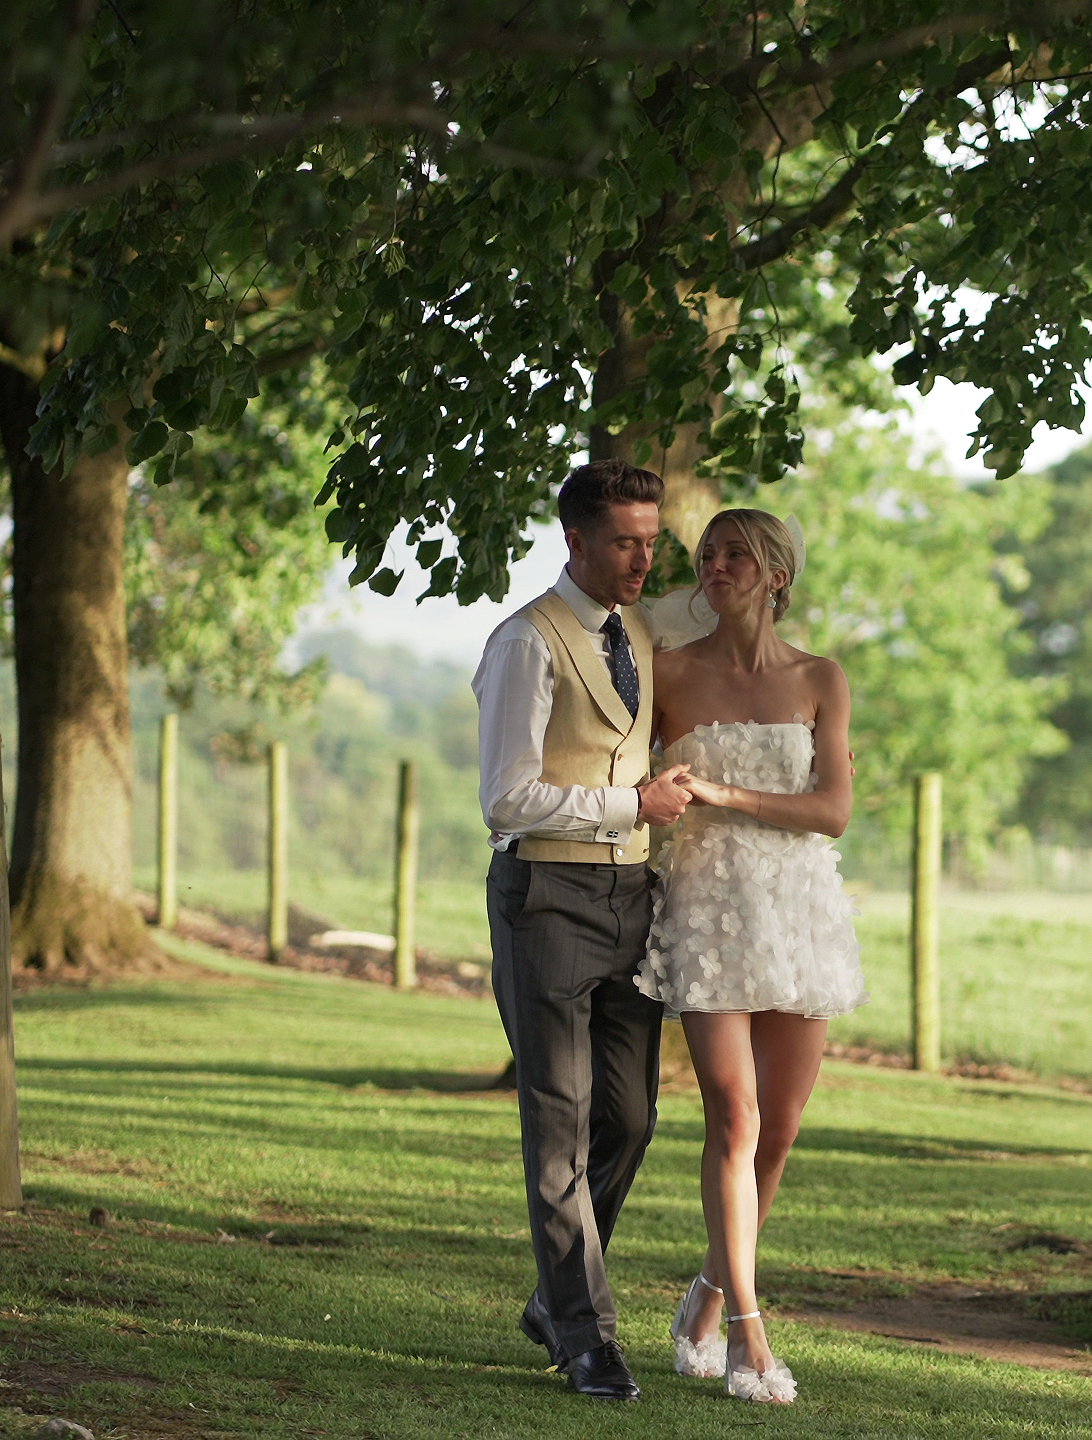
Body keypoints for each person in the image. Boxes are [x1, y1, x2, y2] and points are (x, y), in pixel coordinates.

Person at [472, 458, 696, 1402]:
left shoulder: (638, 630)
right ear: (574, 540)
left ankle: (552, 1297)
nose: (643, 560)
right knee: (559, 1123)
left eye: (651, 542)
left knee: (631, 1120)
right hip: (548, 896)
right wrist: (630, 804)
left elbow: (742, 610)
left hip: (631, 897)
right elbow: (505, 799)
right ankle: (585, 1335)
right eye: (624, 543)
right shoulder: (525, 643)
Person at [636, 508, 868, 1404]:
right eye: (708, 554)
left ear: (777, 574)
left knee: (779, 1130)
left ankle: (706, 1292)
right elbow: (630, 775)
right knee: (733, 1118)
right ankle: (748, 1334)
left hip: (798, 909)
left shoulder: (820, 677)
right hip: (705, 907)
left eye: (737, 553)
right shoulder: (666, 673)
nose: (716, 565)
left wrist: (724, 793)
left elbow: (832, 811)